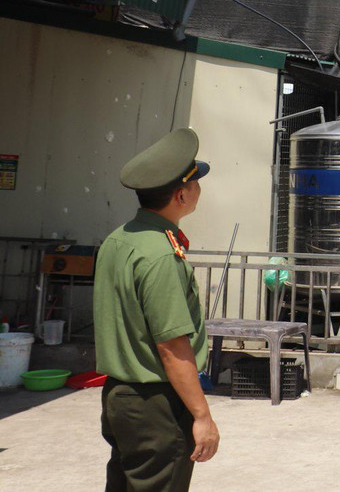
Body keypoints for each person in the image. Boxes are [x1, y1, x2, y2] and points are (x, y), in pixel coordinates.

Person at [95, 128, 219, 492]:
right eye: (195, 183)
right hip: (156, 405)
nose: (199, 190)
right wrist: (202, 415)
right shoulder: (161, 255)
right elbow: (172, 345)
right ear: (181, 194)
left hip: (120, 397)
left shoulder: (120, 239)